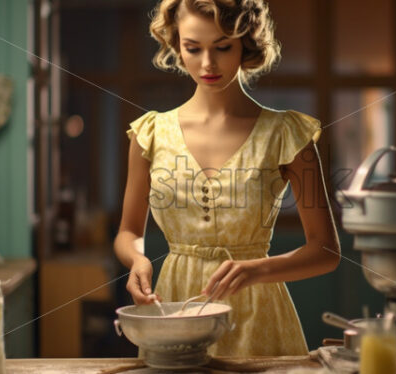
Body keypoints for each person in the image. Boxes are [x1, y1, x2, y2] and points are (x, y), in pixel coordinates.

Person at [114, 0, 340, 356]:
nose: (207, 64)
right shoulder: (151, 133)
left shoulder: (286, 133)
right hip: (174, 309)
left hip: (258, 313)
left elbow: (325, 251)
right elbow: (129, 232)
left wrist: (257, 270)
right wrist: (138, 260)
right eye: (193, 48)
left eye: (222, 47)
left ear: (245, 45)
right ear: (176, 46)